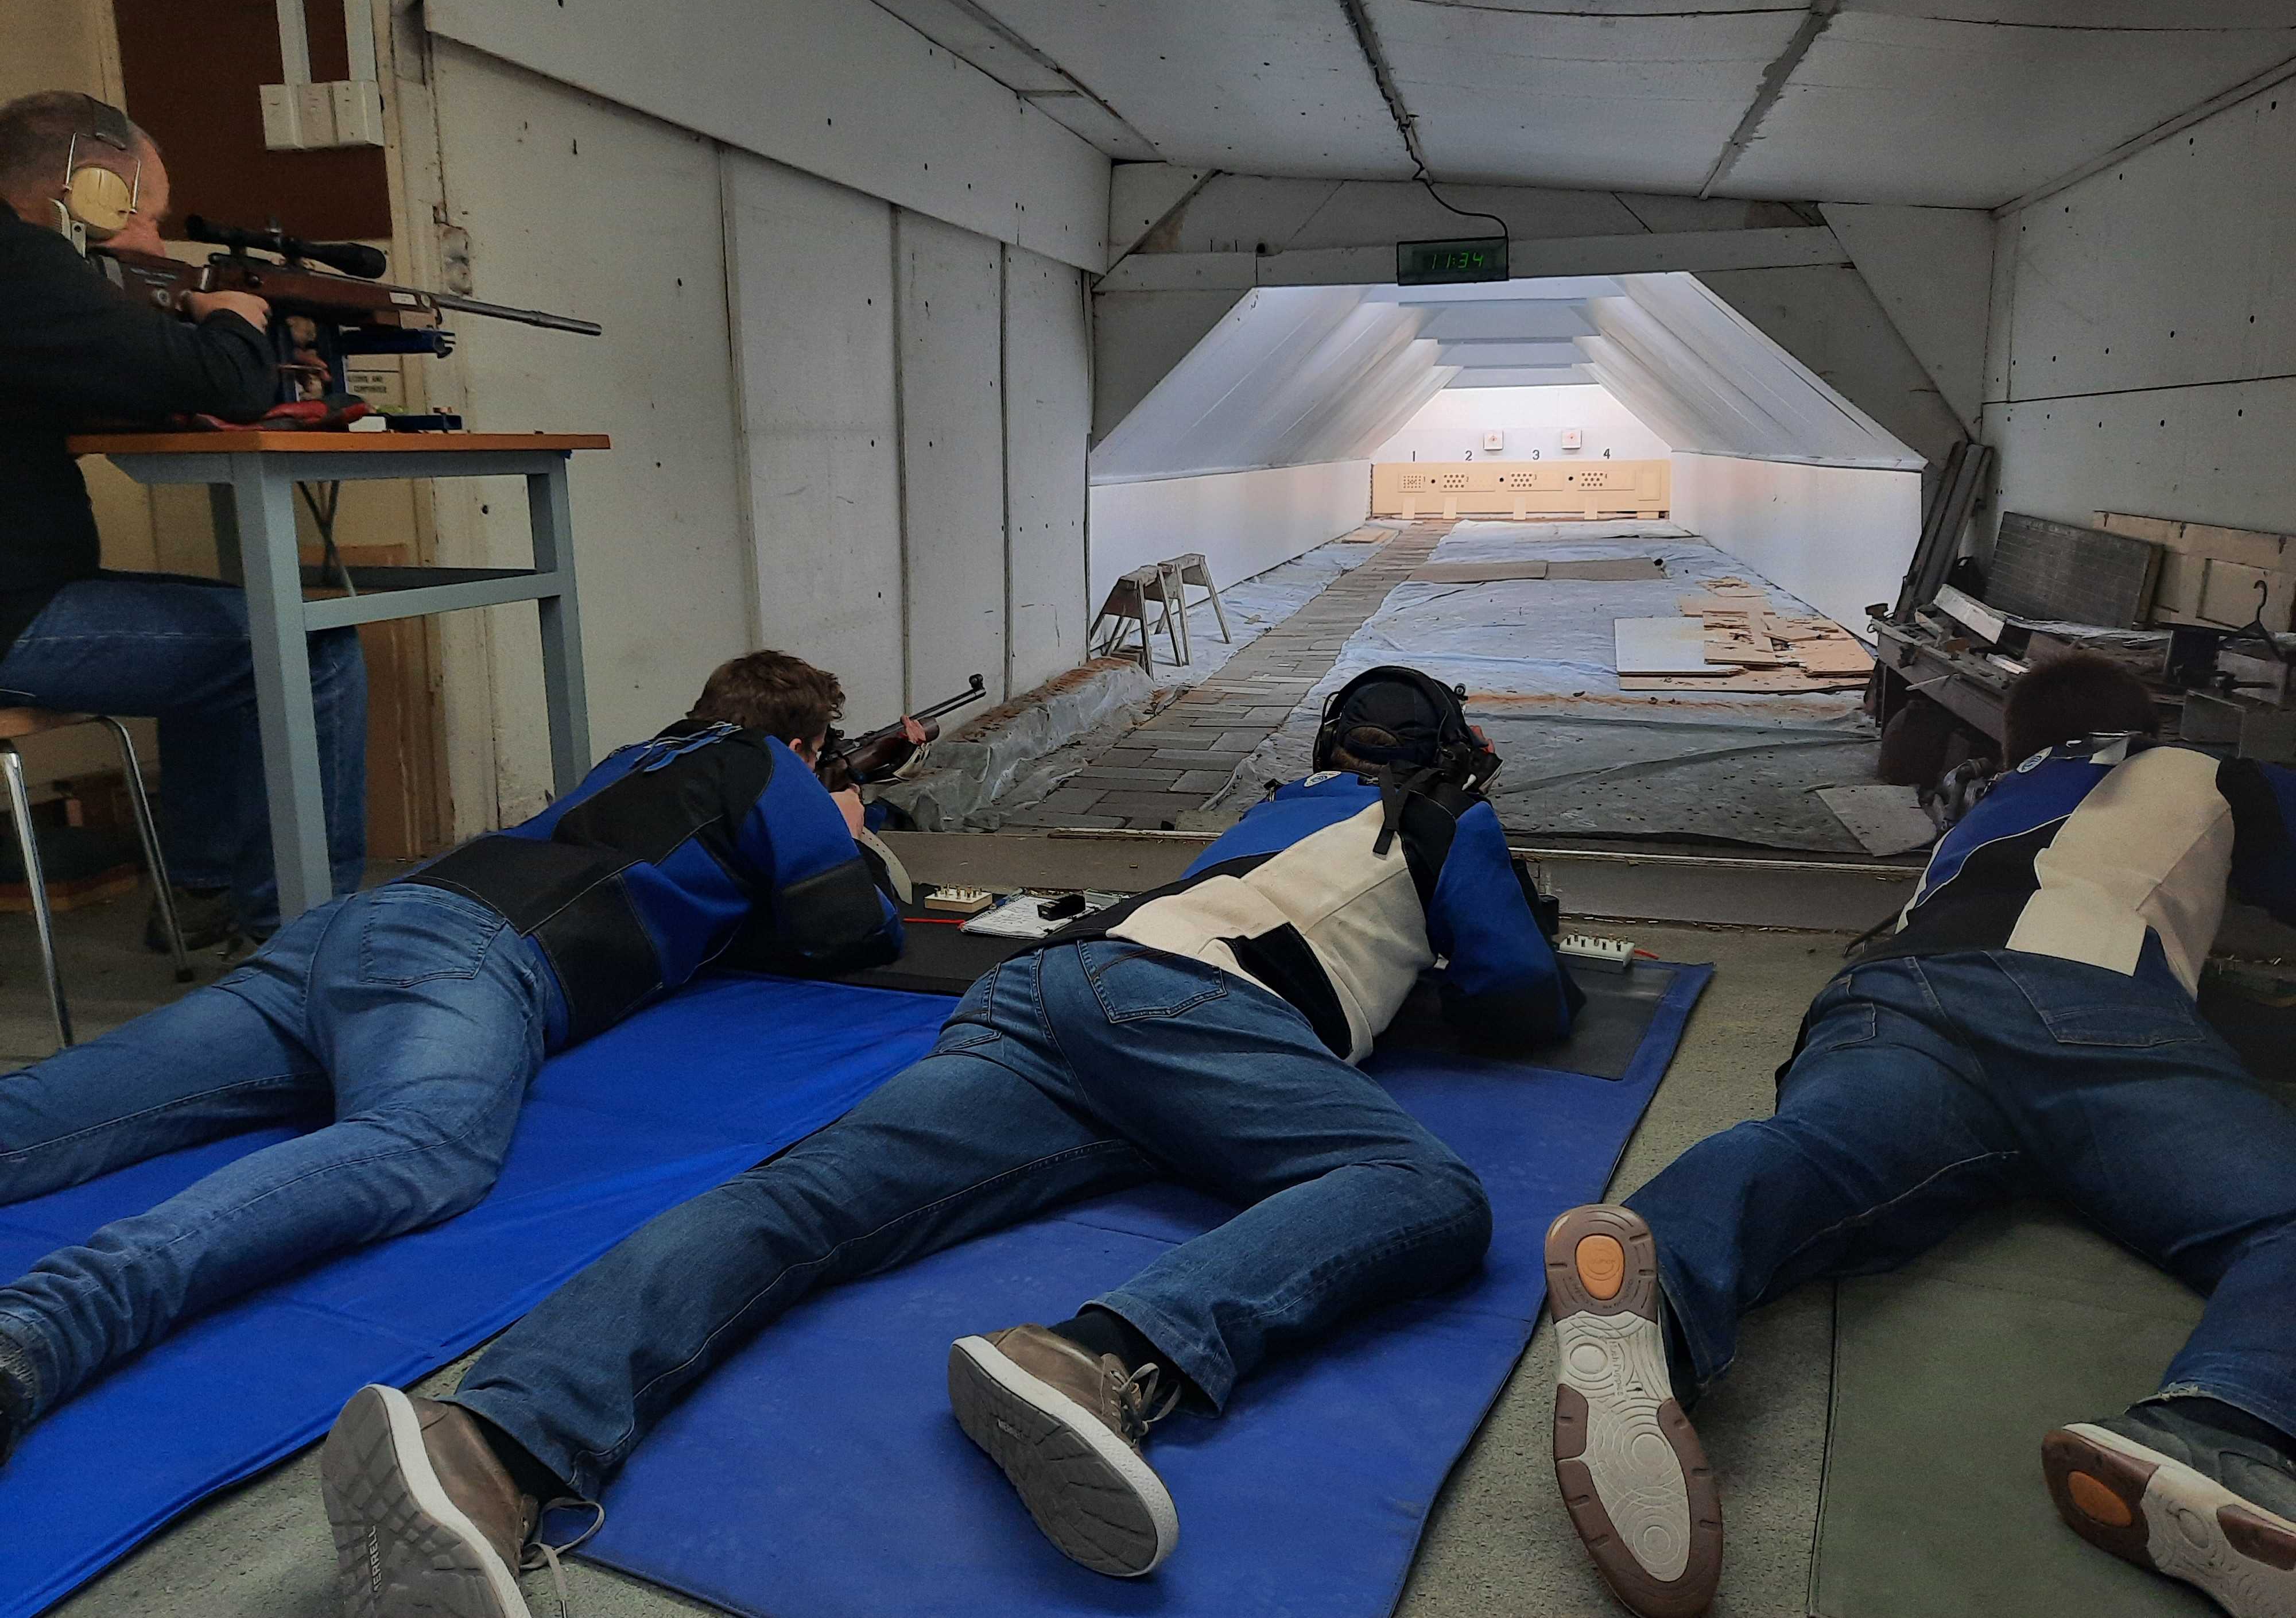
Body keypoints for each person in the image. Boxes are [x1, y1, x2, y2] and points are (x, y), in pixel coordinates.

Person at [314, 665, 1584, 1612]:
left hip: (1051, 990)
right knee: (1423, 1188)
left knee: (802, 1203)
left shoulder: (1278, 809)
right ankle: (1098, 1356)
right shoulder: (1442, 820)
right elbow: (1521, 1002)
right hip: (1191, 1016)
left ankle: (493, 1441)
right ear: (1450, 758)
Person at [0, 649, 900, 1470]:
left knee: (50, 1113)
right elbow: (849, 930)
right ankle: (41, 1327)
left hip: (355, 927)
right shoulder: (768, 763)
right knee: (427, 1146)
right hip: (469, 952)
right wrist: (847, 829)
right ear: (801, 745)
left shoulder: (636, 757)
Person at [1542, 653, 2296, 1618]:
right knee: (2279, 1224)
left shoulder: (1994, 793)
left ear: (2021, 745)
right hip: (2095, 999)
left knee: (1818, 1149)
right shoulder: (2211, 773)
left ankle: (1663, 1277)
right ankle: (2221, 1427)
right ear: (2144, 725)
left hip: (1895, 992)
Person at [0, 89, 367, 946]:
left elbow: (114, 384)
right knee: (305, 645)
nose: (154, 245)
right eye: (143, 218)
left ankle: (206, 889)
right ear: (88, 191)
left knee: (225, 633)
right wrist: (234, 323)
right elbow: (223, 385)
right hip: (17, 617)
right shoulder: (21, 262)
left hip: (22, 602)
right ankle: (301, 937)